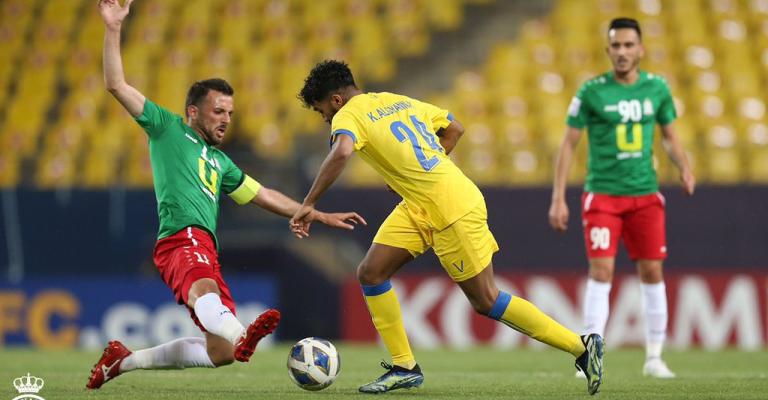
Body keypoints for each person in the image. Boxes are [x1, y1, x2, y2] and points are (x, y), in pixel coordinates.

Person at [87, 0, 365, 389]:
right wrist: (113, 27)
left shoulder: (221, 163)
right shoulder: (168, 128)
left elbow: (262, 194)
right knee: (208, 295)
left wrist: (312, 212)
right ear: (193, 112)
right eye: (218, 111)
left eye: (230, 114)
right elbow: (116, 85)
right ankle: (243, 333)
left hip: (205, 246)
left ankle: (124, 360)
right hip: (181, 237)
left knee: (221, 354)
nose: (226, 120)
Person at [290, 60, 605, 395]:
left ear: (336, 100)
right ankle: (404, 367)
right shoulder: (395, 101)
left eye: (322, 111)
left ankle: (581, 347)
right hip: (419, 204)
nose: (325, 119)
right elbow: (455, 127)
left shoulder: (347, 115)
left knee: (486, 300)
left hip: (452, 208)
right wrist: (424, 168)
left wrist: (309, 203)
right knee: (371, 273)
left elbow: (341, 152)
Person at [548, 17, 695, 379]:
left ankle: (655, 358)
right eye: (616, 45)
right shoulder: (591, 92)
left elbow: (670, 136)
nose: (622, 52)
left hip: (645, 195)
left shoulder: (657, 88)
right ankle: (590, 356)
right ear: (607, 50)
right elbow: (568, 144)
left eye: (629, 45)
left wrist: (684, 165)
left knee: (652, 271)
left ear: (641, 49)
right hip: (603, 197)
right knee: (601, 272)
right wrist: (558, 197)